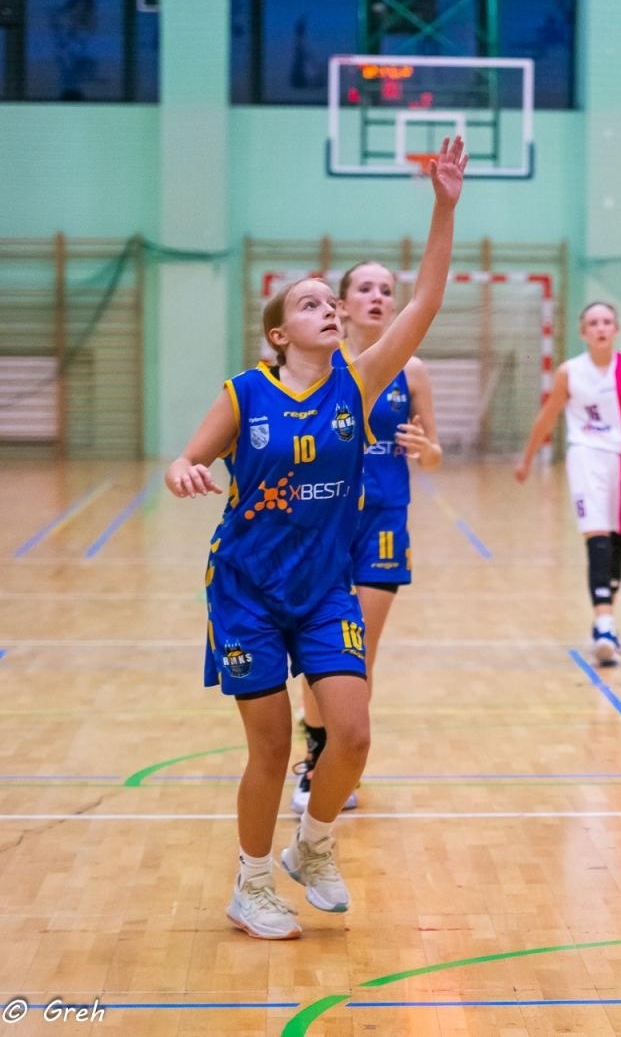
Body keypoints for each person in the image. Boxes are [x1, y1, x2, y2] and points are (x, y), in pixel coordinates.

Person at [164, 137, 466, 939]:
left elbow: (426, 301)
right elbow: (184, 461)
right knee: (267, 749)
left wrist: (443, 205)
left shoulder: (358, 384)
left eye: (329, 304)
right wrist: (188, 473)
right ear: (278, 333)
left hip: (325, 588)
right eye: (309, 305)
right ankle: (251, 882)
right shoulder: (245, 394)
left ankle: (315, 846)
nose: (328, 310)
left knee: (353, 733)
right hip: (247, 593)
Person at [290, 261, 443, 814]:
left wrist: (424, 449)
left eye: (386, 290)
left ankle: (341, 764)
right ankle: (315, 754)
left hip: (383, 521)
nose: (377, 297)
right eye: (365, 289)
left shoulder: (413, 371)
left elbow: (435, 452)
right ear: (343, 305)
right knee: (318, 651)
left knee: (359, 653)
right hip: (324, 524)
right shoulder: (317, 369)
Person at [514, 301, 621, 664]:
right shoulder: (569, 372)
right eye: (593, 322)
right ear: (583, 332)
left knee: (619, 547)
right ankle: (605, 622)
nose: (601, 327)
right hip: (586, 457)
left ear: (616, 330)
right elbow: (547, 417)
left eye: (607, 322)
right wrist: (527, 458)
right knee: (598, 538)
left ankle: (605, 620)